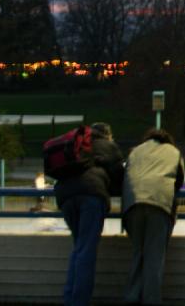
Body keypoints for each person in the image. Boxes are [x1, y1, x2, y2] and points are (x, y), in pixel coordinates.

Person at [54, 122, 124, 306]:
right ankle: (79, 301)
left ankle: (70, 297)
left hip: (65, 196)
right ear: (108, 135)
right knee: (86, 251)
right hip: (90, 196)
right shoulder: (109, 146)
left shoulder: (77, 146)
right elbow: (120, 179)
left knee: (79, 248)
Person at [122, 128, 185, 305]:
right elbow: (179, 180)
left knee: (138, 254)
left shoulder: (135, 151)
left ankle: (131, 297)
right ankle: (151, 300)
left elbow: (125, 175)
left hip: (132, 205)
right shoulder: (173, 152)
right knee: (154, 259)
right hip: (159, 206)